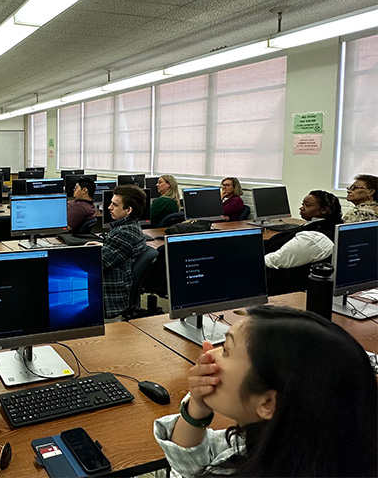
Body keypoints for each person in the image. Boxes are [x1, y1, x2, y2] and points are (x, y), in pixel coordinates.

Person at [154, 305, 377, 477]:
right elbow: (192, 466)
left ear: (268, 404)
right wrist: (198, 406)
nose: (209, 354)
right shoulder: (304, 443)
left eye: (227, 350)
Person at [264, 190, 342, 294]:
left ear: (323, 210)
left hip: (283, 287)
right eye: (302, 204)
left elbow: (277, 260)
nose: (302, 208)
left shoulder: (314, 238)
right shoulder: (319, 226)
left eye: (307, 205)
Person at [96, 184, 148, 319]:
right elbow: (116, 253)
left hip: (110, 294)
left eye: (114, 204)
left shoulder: (124, 233)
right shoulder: (131, 227)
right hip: (117, 282)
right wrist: (102, 245)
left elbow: (99, 263)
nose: (109, 207)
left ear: (128, 210)